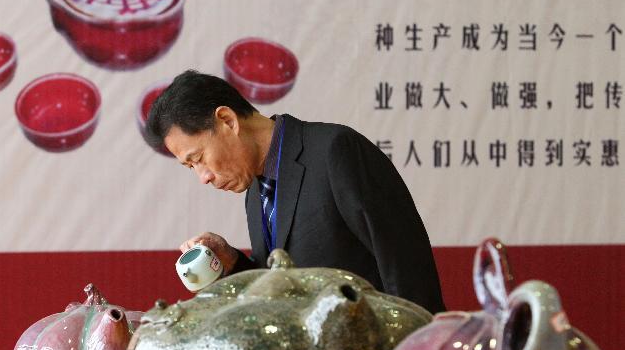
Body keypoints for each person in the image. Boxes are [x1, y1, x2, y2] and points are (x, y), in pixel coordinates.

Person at [145, 70, 445, 314]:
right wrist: (232, 263)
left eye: (198, 159)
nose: (204, 177)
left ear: (227, 121)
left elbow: (408, 272)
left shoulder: (335, 152)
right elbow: (279, 290)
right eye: (191, 167)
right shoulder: (255, 191)